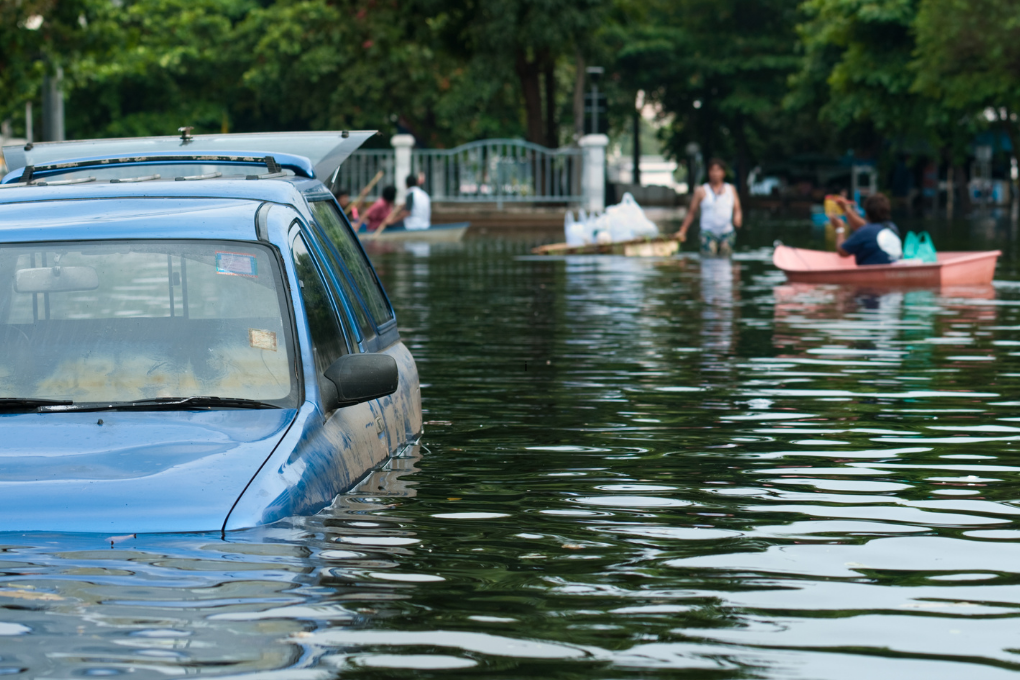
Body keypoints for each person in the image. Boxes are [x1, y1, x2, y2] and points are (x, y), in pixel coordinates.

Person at [677, 158, 743, 256]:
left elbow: (737, 209)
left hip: (727, 232)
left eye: (718, 170)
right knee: (709, 256)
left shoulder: (731, 189)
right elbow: (691, 212)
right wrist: (683, 230)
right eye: (712, 170)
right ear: (708, 172)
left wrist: (737, 218)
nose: (715, 173)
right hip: (708, 232)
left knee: (726, 256)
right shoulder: (701, 190)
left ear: (723, 173)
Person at [831, 192, 902, 265]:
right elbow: (865, 227)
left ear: (867, 213)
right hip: (894, 269)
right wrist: (846, 209)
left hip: (874, 271)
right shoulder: (892, 228)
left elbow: (842, 251)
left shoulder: (866, 232)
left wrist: (839, 228)